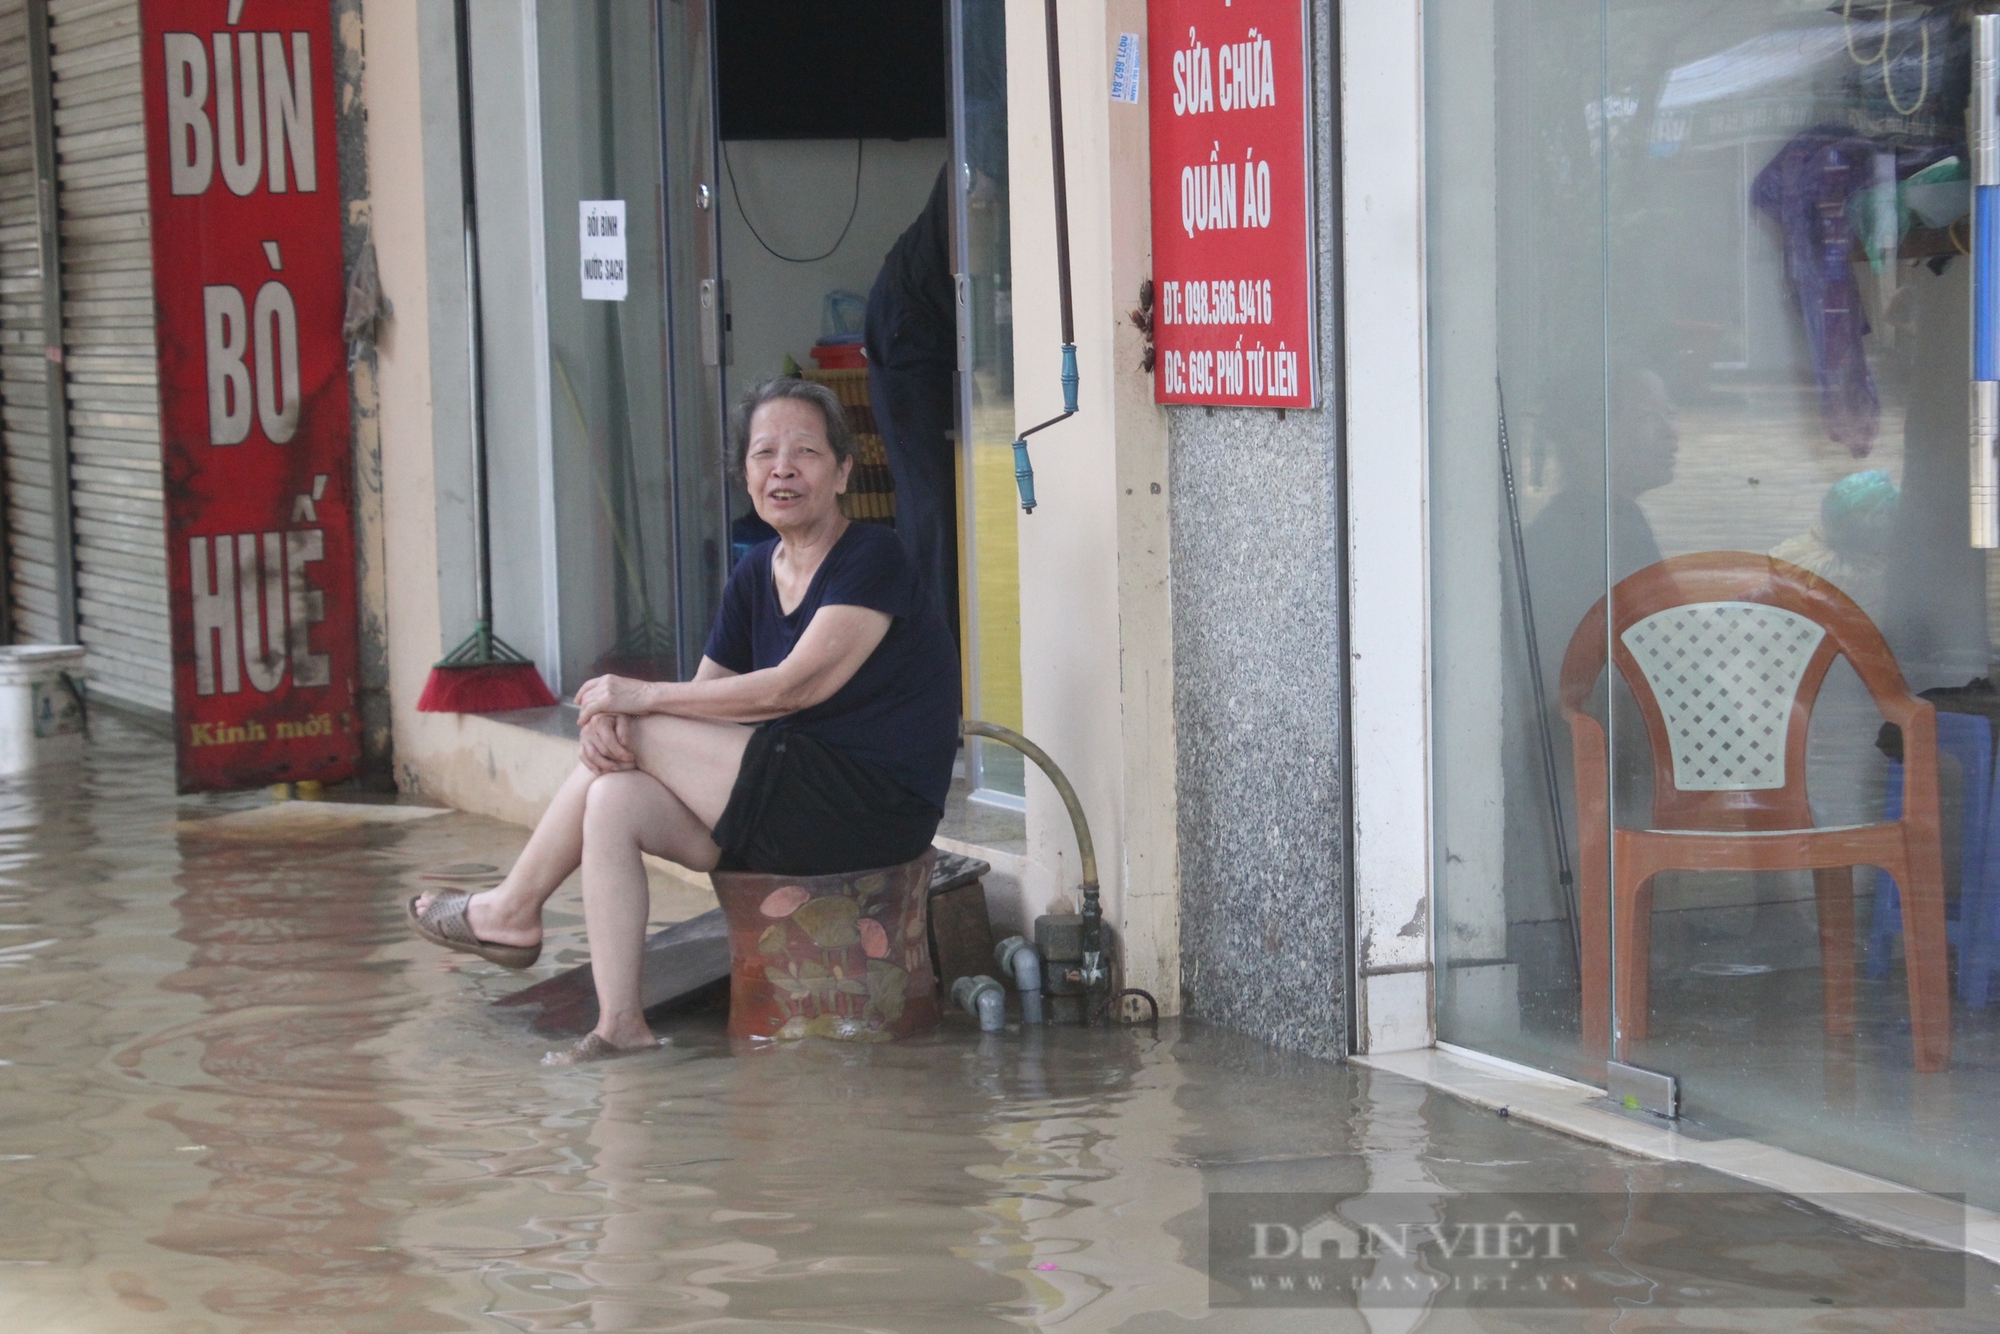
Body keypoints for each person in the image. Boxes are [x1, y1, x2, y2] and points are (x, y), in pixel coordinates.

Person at [408, 379, 961, 1063]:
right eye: (763, 454)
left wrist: (635, 705)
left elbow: (794, 689)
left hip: (870, 809)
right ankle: (620, 1026)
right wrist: (624, 733)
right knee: (614, 796)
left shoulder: (873, 557)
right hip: (785, 806)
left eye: (806, 452)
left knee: (639, 736)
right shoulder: (756, 572)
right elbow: (707, 707)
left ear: (844, 471)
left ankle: (513, 911)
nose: (782, 468)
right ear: (745, 475)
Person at [865, 165, 960, 642]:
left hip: (952, 324)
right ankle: (931, 662)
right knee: (934, 508)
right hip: (913, 325)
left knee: (956, 505)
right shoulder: (987, 133)